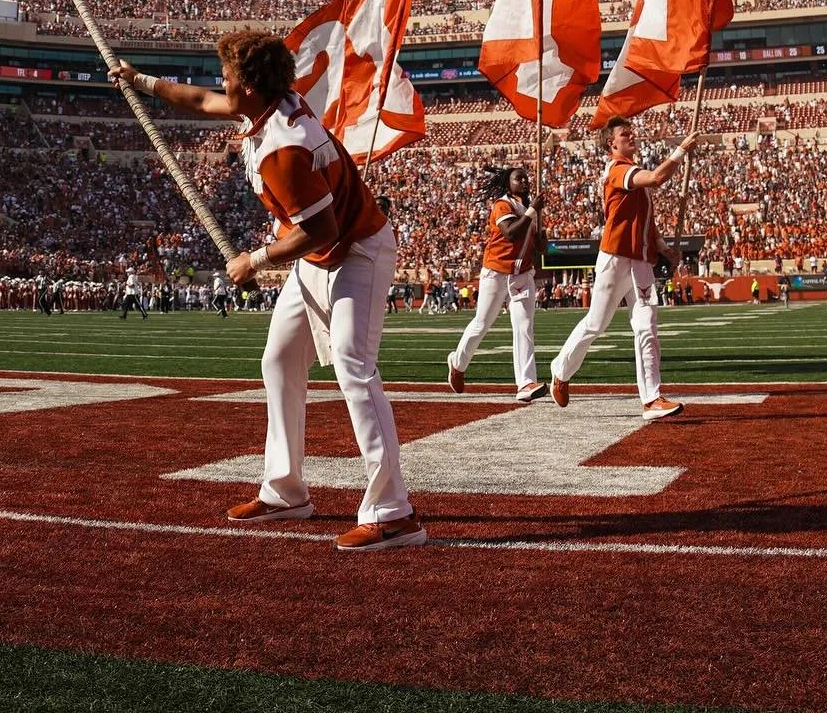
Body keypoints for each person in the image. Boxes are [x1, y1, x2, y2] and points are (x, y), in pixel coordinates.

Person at [120, 30, 425, 551]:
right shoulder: (264, 108)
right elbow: (199, 101)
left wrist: (254, 260)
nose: (220, 84)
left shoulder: (284, 146)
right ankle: (286, 491)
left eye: (227, 77)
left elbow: (323, 230)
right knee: (279, 360)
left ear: (249, 87)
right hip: (318, 255)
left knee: (354, 368)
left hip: (356, 250)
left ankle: (393, 512)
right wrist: (139, 80)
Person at [549, 120, 709, 417]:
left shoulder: (634, 174)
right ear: (612, 144)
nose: (631, 136)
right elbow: (657, 178)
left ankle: (651, 398)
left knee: (647, 326)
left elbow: (648, 223)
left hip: (640, 260)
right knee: (596, 323)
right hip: (615, 255)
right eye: (625, 134)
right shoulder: (617, 169)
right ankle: (560, 369)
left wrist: (664, 249)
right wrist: (681, 151)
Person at [446, 164, 544, 402]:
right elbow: (510, 233)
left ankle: (525, 383)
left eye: (526, 178)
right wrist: (533, 212)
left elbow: (540, 248)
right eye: (518, 178)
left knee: (524, 326)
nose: (524, 181)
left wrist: (541, 229)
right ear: (508, 184)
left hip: (522, 274)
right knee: (482, 323)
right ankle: (458, 363)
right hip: (497, 272)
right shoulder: (503, 204)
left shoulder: (531, 208)